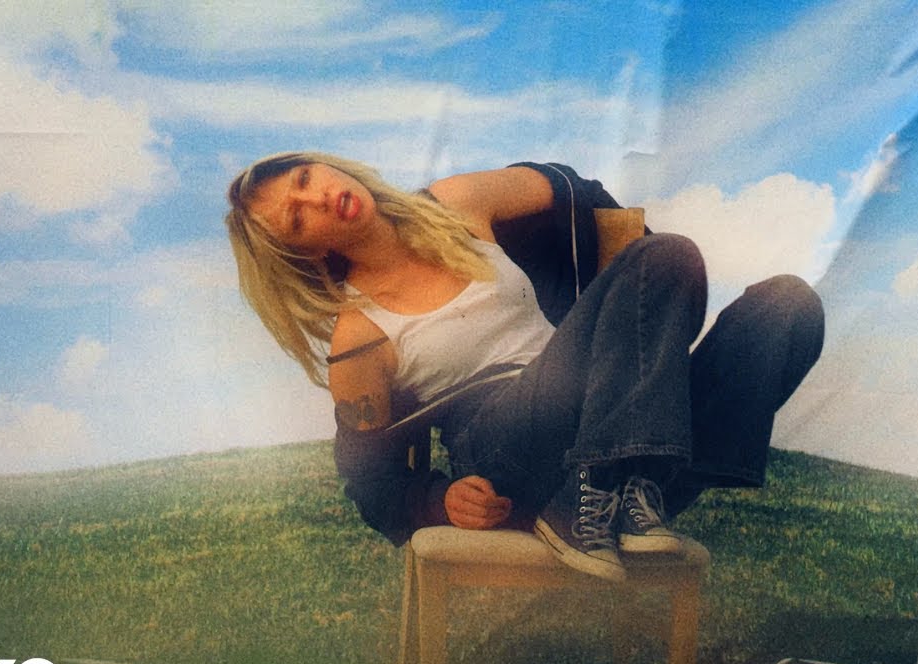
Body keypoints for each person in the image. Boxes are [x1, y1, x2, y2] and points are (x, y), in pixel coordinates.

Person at [226, 151, 824, 582]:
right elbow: (372, 485)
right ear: (301, 250)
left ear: (325, 165)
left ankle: (634, 490)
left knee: (786, 309)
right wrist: (440, 501)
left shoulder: (456, 203)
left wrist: (648, 302)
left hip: (596, 405)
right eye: (297, 218)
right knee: (666, 256)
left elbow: (574, 191)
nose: (316, 198)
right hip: (503, 447)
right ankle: (585, 500)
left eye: (305, 179)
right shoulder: (359, 335)